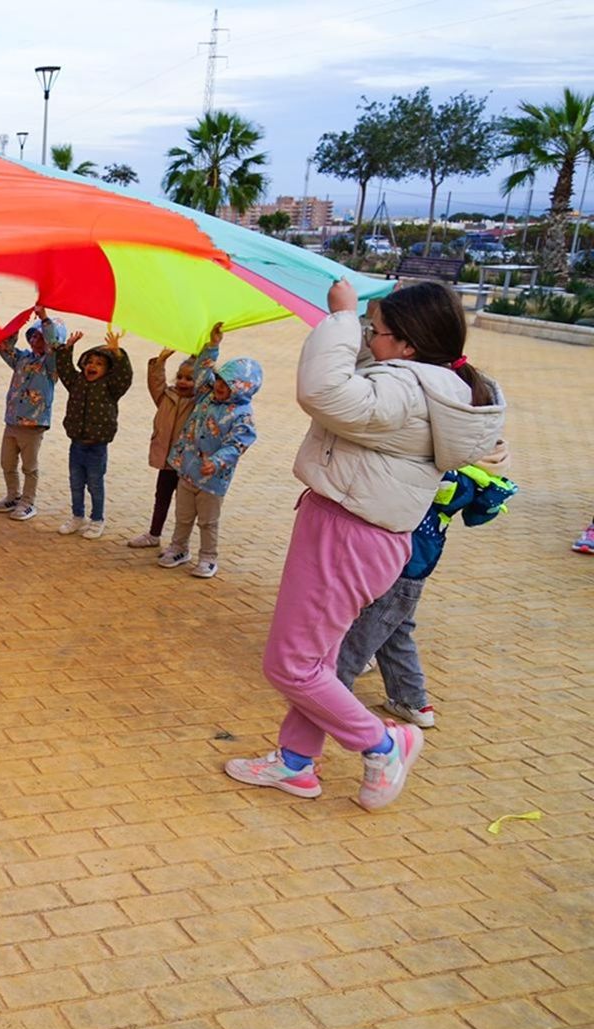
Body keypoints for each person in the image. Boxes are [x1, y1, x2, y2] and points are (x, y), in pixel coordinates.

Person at [226, 280, 505, 811]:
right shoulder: (421, 381)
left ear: (407, 345)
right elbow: (353, 377)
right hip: (357, 531)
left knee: (291, 665)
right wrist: (361, 322)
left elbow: (323, 391)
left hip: (348, 535)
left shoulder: (404, 390)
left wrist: (340, 316)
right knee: (318, 659)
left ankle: (381, 743)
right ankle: (296, 761)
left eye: (374, 332)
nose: (366, 338)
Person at [336, 452, 516, 728]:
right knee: (395, 629)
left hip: (402, 566)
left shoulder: (451, 477)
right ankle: (412, 700)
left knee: (366, 632)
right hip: (413, 565)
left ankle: (334, 694)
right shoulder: (470, 477)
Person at [157, 324, 262, 579]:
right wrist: (212, 346)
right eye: (220, 382)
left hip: (212, 478)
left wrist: (216, 462)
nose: (220, 388)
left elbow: (237, 444)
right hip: (188, 468)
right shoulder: (206, 395)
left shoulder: (242, 415)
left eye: (227, 386)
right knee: (183, 515)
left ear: (242, 389)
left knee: (207, 520)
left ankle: (208, 557)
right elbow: (203, 370)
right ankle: (179, 548)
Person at [0, 307, 69, 521]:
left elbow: (55, 347)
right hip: (12, 422)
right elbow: (4, 347)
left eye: (41, 337)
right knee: (7, 463)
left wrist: (44, 319)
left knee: (29, 466)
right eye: (34, 335)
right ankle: (13, 496)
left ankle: (28, 502)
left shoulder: (52, 365)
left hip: (33, 425)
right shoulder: (22, 359)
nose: (36, 339)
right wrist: (18, 324)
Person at [55, 328, 134, 538]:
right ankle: (77, 516)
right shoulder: (77, 382)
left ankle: (97, 519)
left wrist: (119, 355)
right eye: (90, 362)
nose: (92, 366)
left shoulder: (111, 386)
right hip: (77, 443)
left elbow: (125, 376)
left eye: (99, 364)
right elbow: (63, 369)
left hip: (97, 446)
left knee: (95, 484)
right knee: (76, 483)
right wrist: (67, 349)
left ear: (108, 370)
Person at [126, 347, 198, 550]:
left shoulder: (199, 403)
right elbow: (155, 382)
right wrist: (160, 362)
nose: (183, 381)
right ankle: (154, 534)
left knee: (184, 506)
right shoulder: (166, 396)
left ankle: (179, 543)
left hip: (186, 463)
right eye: (180, 377)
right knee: (161, 498)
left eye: (190, 378)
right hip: (167, 461)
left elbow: (208, 385)